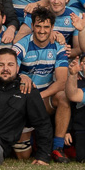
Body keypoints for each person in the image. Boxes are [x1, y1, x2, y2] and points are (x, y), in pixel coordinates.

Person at [15, 9, 72, 159]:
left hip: (44, 98)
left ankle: (57, 148)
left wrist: (39, 96)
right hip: (23, 100)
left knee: (63, 97)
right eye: (38, 26)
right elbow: (9, 70)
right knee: (23, 157)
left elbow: (61, 82)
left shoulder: (59, 46)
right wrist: (20, 75)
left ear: (52, 28)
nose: (42, 31)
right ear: (32, 25)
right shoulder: (22, 45)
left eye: (46, 27)